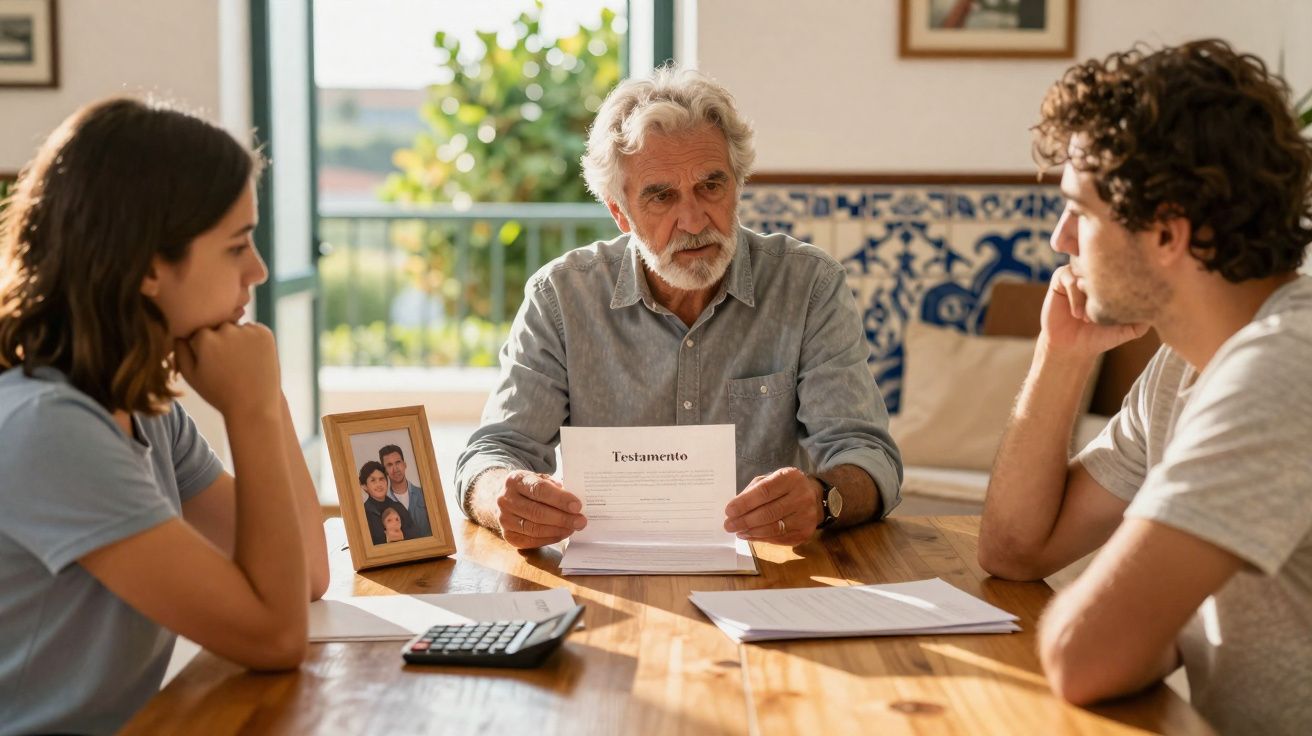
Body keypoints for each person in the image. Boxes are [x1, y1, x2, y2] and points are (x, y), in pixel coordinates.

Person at [976, 39, 1312, 734]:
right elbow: (1015, 551)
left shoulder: (1285, 364)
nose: (1061, 240)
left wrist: (1137, 630)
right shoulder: (1182, 367)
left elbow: (1081, 655)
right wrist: (1061, 357)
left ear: (1166, 233)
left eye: (1080, 210)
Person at [455, 67, 902, 550]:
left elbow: (869, 456)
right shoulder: (560, 298)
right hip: (609, 571)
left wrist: (822, 498)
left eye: (711, 186)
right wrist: (503, 497)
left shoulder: (810, 285)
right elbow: (493, 453)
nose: (692, 220)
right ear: (620, 212)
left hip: (773, 569)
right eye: (661, 196)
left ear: (737, 186)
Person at [0, 97, 330, 735]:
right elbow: (275, 635)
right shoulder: (50, 428)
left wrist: (265, 398)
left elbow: (308, 575)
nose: (258, 270)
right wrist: (250, 411)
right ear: (150, 265)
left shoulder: (144, 413)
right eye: (236, 246)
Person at [379, 444, 431, 537]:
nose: (395, 469)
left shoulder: (424, 494)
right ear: (384, 470)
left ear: (404, 464)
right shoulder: (384, 504)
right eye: (389, 465)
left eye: (398, 462)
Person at [359, 460, 415, 545]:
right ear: (364, 486)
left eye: (381, 479)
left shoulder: (399, 507)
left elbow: (415, 534)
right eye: (373, 480)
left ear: (387, 481)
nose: (379, 484)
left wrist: (402, 537)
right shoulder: (363, 513)